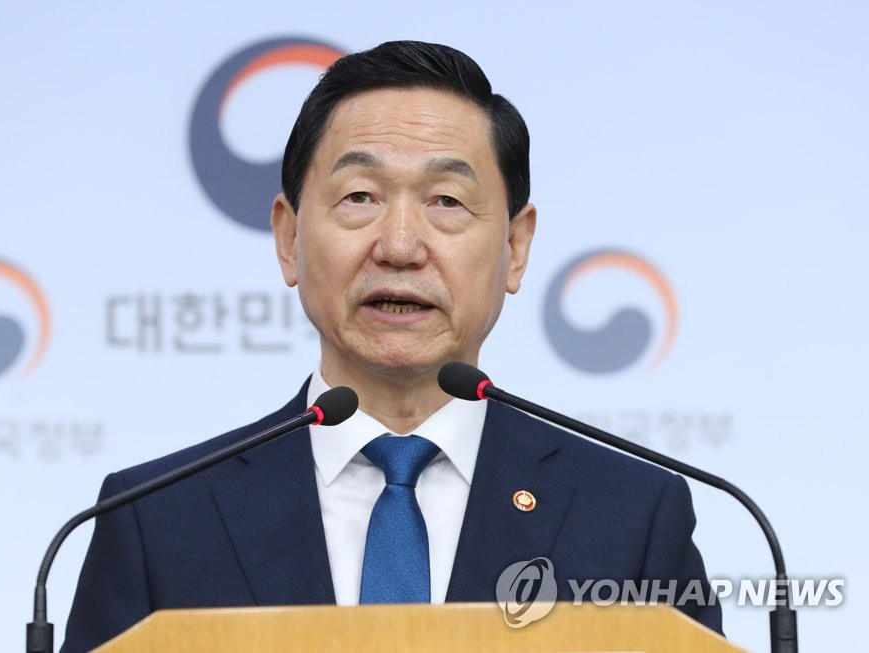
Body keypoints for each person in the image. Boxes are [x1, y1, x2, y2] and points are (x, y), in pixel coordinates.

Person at [61, 40, 722, 652]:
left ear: (515, 247)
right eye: (360, 196)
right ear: (288, 238)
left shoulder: (632, 516)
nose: (400, 246)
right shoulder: (156, 519)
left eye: (447, 201)